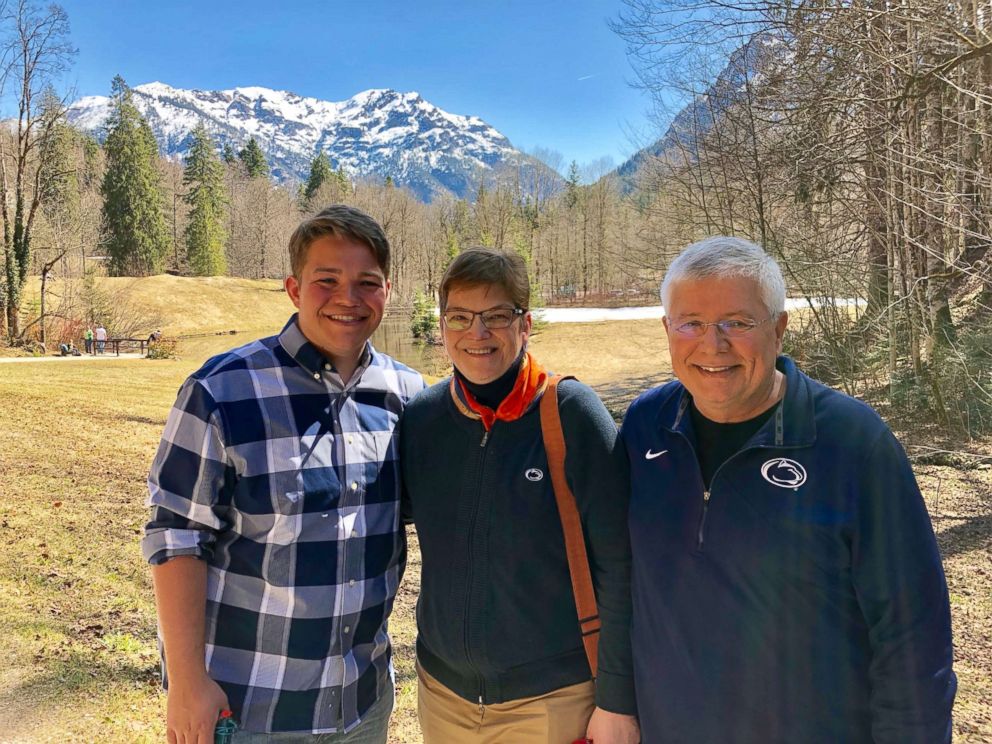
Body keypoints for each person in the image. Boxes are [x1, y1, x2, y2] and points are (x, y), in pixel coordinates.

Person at [621, 236, 956, 743]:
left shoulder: (851, 442)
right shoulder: (646, 425)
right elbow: (619, 581)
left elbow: (912, 633)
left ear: (778, 328)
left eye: (737, 322)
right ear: (668, 329)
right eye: (691, 323)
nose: (713, 345)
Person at [142, 205, 425, 742]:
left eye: (367, 282)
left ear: (386, 291)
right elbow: (175, 536)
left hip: (363, 705)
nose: (348, 297)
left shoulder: (407, 397)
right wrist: (185, 682)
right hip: (250, 708)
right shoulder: (221, 392)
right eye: (327, 281)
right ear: (294, 289)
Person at [401, 248, 639, 744]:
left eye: (496, 317)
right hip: (443, 696)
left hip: (553, 701)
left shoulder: (571, 414)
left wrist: (616, 700)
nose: (477, 333)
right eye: (460, 317)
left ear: (525, 324)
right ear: (442, 325)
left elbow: (620, 567)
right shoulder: (422, 420)